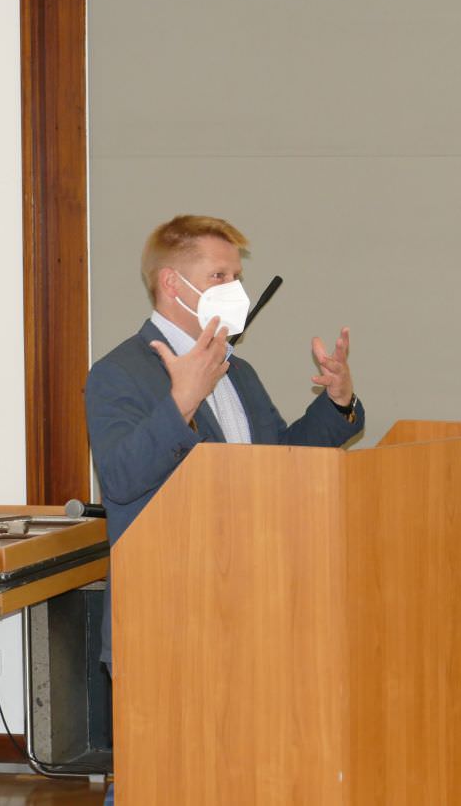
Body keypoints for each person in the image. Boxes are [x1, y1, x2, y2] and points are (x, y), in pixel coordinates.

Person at [85, 215, 364, 802]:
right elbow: (122, 478)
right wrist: (181, 401)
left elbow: (279, 461)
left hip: (252, 605)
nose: (235, 289)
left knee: (239, 773)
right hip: (167, 617)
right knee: (161, 779)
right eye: (219, 276)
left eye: (237, 276)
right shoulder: (118, 373)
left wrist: (338, 405)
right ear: (172, 283)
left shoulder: (238, 370)